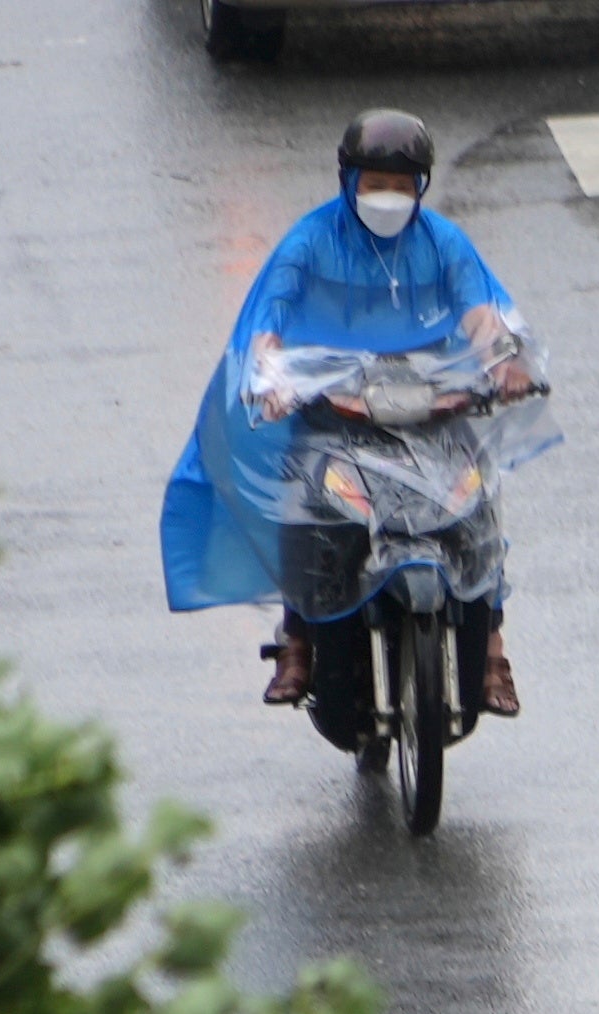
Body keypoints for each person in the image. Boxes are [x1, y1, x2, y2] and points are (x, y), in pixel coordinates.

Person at [159, 109, 535, 715]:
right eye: (374, 183)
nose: (388, 197)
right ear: (348, 180)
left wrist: (502, 364)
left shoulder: (443, 243)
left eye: (402, 185)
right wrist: (270, 375)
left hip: (433, 413)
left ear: (421, 188)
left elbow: (479, 312)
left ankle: (491, 649)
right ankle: (298, 636)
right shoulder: (310, 242)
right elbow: (269, 319)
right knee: (303, 504)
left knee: (479, 511)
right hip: (336, 415)